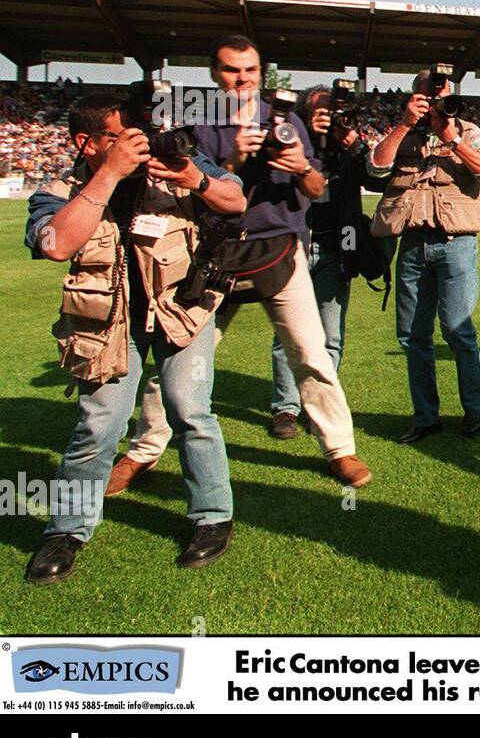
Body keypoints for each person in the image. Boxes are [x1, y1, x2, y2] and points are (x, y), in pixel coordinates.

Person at [107, 35, 372, 493]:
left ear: (261, 72)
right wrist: (232, 160)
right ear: (215, 74)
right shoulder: (201, 123)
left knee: (311, 353)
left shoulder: (286, 120)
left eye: (250, 70)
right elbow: (194, 187)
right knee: (176, 357)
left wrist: (299, 166)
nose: (242, 79)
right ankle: (143, 449)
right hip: (216, 253)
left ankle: (340, 449)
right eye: (232, 70)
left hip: (279, 251)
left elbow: (315, 189)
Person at [24, 91, 247, 583]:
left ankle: (213, 517)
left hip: (180, 308)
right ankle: (67, 529)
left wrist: (196, 178)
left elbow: (236, 199)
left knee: (191, 411)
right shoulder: (62, 188)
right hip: (107, 323)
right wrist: (109, 175)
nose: (138, 145)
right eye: (121, 136)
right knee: (98, 425)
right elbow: (56, 243)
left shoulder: (172, 163)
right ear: (87, 143)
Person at [368, 69, 480, 442]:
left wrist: (453, 139)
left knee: (458, 331)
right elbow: (375, 166)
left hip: (456, 244)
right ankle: (426, 417)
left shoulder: (470, 131)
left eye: (443, 97)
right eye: (430, 97)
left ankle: (474, 410)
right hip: (411, 243)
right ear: (416, 97)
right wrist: (403, 124)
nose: (437, 103)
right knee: (413, 336)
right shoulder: (402, 131)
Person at [267, 85, 386, 438]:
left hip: (337, 248)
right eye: (318, 111)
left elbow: (377, 179)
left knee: (330, 336)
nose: (326, 117)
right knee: (286, 334)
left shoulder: (345, 146)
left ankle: (315, 405)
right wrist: (304, 137)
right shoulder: (290, 141)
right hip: (294, 247)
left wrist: (355, 145)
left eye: (330, 111)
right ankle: (285, 409)